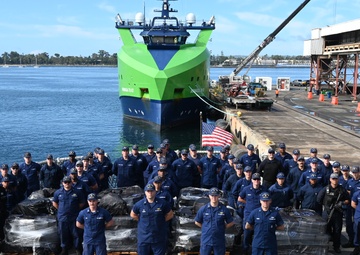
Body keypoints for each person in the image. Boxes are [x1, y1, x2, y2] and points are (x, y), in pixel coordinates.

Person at [130, 183, 174, 255]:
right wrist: (142, 221)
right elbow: (133, 214)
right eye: (148, 191)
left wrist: (160, 221)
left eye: (151, 191)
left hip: (158, 237)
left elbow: (170, 214)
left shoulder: (162, 203)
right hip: (144, 238)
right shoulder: (139, 204)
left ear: (155, 192)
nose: (150, 193)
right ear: (145, 192)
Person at [195, 187, 234, 255]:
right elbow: (197, 222)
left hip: (219, 240)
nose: (214, 197)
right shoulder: (203, 209)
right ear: (209, 196)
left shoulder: (224, 209)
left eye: (216, 195)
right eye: (212, 195)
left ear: (218, 196)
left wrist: (222, 227)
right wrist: (205, 227)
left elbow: (231, 222)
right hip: (206, 240)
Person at [317, 173, 350, 254]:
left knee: (337, 231)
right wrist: (327, 206)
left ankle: (336, 247)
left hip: (337, 213)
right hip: (327, 213)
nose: (335, 180)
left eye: (336, 179)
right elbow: (319, 200)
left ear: (338, 180)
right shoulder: (325, 189)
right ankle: (325, 245)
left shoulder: (342, 190)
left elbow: (348, 200)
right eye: (333, 179)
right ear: (330, 179)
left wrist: (341, 203)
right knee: (326, 230)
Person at [52, 176, 86, 255]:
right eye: (65, 182)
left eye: (68, 182)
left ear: (71, 182)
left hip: (74, 217)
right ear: (62, 183)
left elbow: (82, 203)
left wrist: (74, 210)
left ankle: (78, 249)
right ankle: (64, 249)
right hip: (62, 217)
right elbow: (55, 203)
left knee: (76, 234)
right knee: (63, 234)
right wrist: (61, 210)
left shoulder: (77, 192)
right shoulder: (58, 192)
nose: (67, 184)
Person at [238, 173, 267, 254]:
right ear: (252, 180)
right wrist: (247, 203)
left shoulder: (264, 190)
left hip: (260, 215)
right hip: (248, 215)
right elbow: (240, 198)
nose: (256, 181)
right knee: (246, 235)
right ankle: (245, 251)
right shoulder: (246, 189)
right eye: (255, 179)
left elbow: (268, 200)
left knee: (259, 235)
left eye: (258, 179)